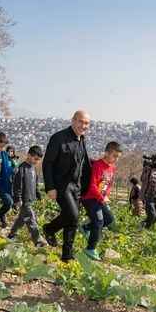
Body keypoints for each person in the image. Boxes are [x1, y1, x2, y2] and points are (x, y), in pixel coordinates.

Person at [42, 110, 92, 261]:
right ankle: (49, 228)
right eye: (80, 121)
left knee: (73, 220)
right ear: (73, 120)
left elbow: (83, 165)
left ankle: (67, 255)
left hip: (76, 186)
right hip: (61, 185)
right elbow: (47, 163)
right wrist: (50, 187)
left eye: (86, 123)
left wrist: (86, 187)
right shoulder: (58, 138)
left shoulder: (81, 140)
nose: (83, 126)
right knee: (73, 215)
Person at [80, 141, 122, 260]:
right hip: (90, 198)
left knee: (108, 219)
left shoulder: (112, 168)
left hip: (100, 199)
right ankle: (90, 249)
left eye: (117, 157)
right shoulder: (98, 165)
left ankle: (86, 228)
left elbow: (108, 184)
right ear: (106, 153)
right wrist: (101, 197)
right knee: (98, 222)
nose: (116, 159)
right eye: (114, 156)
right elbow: (92, 185)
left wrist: (106, 195)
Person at [8, 145, 47, 247]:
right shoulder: (21, 169)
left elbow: (35, 184)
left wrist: (38, 195)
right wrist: (18, 199)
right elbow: (17, 186)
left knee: (22, 219)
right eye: (35, 159)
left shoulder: (33, 169)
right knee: (31, 219)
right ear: (29, 155)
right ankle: (38, 240)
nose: (36, 161)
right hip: (24, 200)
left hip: (30, 199)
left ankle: (12, 235)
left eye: (38, 160)